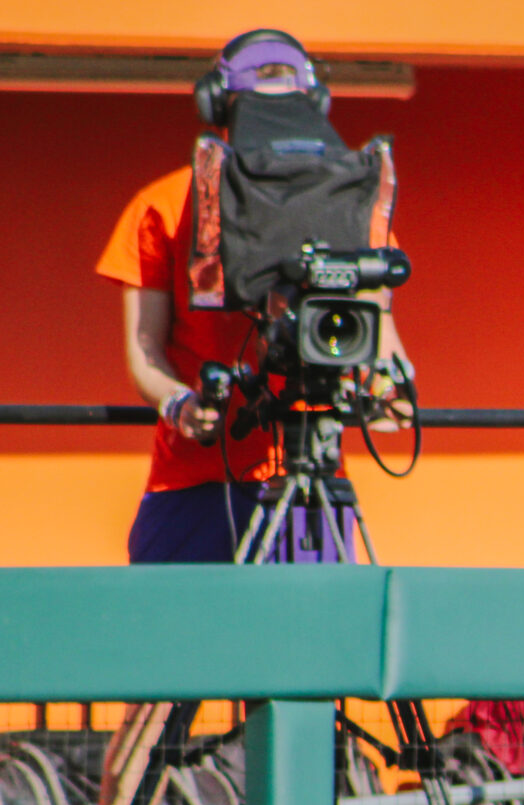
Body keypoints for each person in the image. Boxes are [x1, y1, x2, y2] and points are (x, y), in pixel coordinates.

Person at [95, 27, 409, 566]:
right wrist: (181, 404)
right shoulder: (163, 206)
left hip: (311, 480)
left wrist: (387, 389)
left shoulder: (352, 207)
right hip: (195, 483)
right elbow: (144, 350)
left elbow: (378, 339)